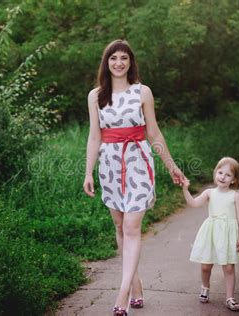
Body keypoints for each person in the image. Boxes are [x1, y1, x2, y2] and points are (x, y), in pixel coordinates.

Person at [83, 39, 186, 316]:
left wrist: (172, 166)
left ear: (131, 62)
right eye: (113, 58)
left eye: (124, 58)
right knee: (119, 228)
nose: (118, 63)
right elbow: (95, 136)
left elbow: (153, 133)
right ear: (107, 62)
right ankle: (137, 283)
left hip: (138, 162)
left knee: (131, 227)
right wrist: (88, 171)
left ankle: (123, 293)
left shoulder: (143, 92)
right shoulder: (96, 96)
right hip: (110, 166)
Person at [181, 157, 239, 312]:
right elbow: (193, 203)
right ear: (215, 173)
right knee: (205, 266)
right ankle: (205, 287)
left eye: (228, 175)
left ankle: (230, 297)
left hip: (228, 235)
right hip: (211, 233)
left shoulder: (235, 196)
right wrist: (185, 189)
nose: (223, 177)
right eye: (220, 172)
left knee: (229, 267)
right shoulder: (209, 193)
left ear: (234, 180)